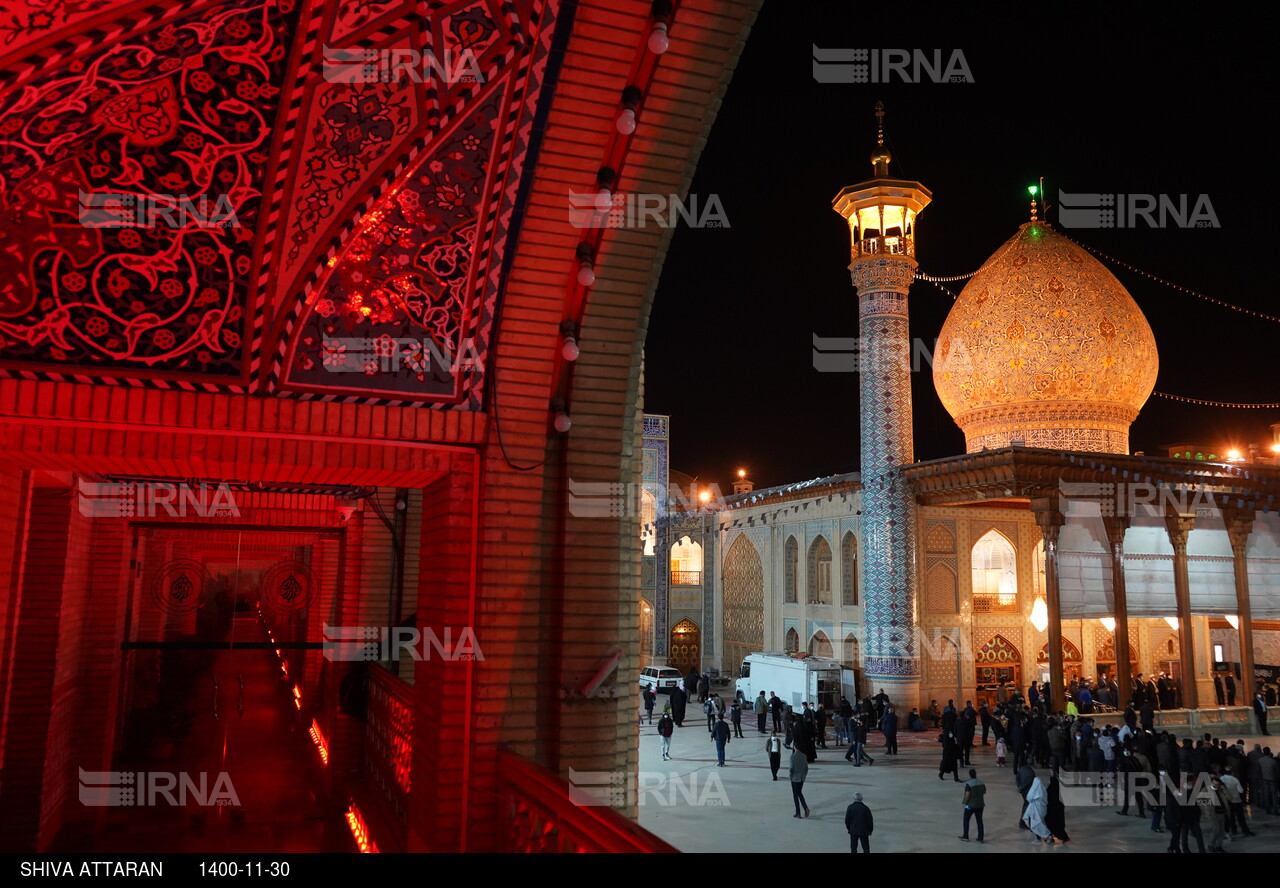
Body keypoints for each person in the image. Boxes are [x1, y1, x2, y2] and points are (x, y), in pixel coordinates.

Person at [959, 768, 986, 843]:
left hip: (970, 805)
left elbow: (967, 795)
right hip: (980, 805)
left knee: (966, 819)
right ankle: (980, 838)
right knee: (979, 821)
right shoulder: (981, 782)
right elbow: (984, 792)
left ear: (969, 775)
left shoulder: (969, 784)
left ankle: (965, 836)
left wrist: (966, 804)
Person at [1022, 776, 1051, 843]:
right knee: (1040, 822)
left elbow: (1029, 797)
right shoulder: (1043, 791)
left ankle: (1046, 835)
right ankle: (1043, 836)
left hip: (1037, 810)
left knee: (1036, 823)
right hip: (1041, 809)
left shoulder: (1036, 791)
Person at [1046, 772, 1070, 843]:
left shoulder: (1049, 791)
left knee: (1050, 826)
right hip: (1058, 817)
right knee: (1059, 828)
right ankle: (1063, 838)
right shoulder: (1059, 793)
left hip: (1051, 814)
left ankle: (1051, 838)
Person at [789, 748, 810, 819]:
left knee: (795, 795)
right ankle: (805, 809)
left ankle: (798, 812)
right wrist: (804, 775)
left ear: (795, 747)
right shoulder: (804, 756)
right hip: (802, 778)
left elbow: (791, 768)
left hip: (795, 778)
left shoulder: (792, 756)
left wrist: (790, 776)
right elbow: (806, 768)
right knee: (799, 793)